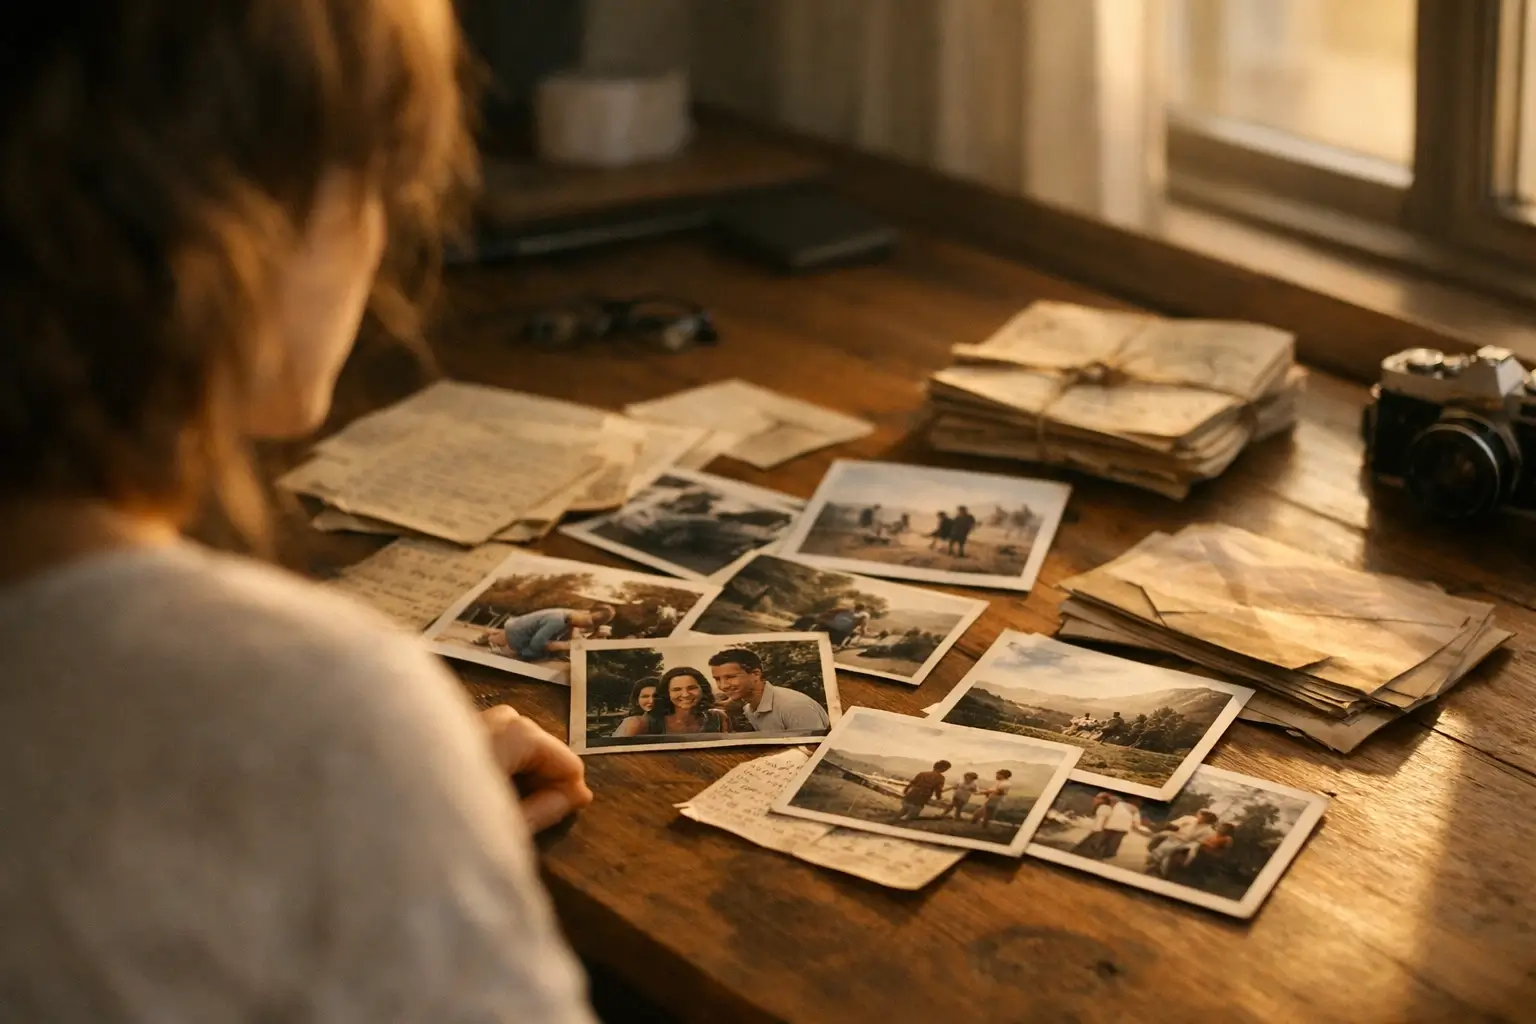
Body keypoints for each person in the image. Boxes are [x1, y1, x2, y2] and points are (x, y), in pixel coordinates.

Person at [0, 2, 596, 1019]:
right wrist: (364, 763)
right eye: (375, 173)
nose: (382, 232)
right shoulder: (327, 710)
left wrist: (390, 793)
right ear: (234, 224)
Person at [708, 648, 831, 733]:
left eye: (730, 677)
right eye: (717, 679)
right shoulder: (749, 709)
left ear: (755, 674)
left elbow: (814, 750)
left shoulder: (793, 707)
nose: (723, 686)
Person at [612, 667, 731, 737]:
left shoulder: (718, 718)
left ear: (703, 689)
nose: (685, 694)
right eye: (676, 689)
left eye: (692, 688)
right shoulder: (637, 723)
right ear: (666, 694)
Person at [494, 605, 615, 661]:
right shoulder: (557, 620)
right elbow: (537, 643)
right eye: (590, 621)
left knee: (556, 648)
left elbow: (576, 643)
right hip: (517, 636)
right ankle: (511, 651)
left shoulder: (570, 616)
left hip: (517, 629)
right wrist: (565, 645)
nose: (587, 625)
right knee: (544, 651)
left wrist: (594, 636)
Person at [1147, 809, 1221, 877]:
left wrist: (1188, 843)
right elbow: (1174, 825)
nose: (1203, 817)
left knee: (1175, 851)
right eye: (1203, 815)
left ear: (1210, 820)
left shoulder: (1208, 830)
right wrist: (1172, 827)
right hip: (1175, 837)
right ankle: (1154, 858)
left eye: (1207, 817)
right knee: (1161, 838)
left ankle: (1163, 868)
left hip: (1187, 843)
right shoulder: (1189, 819)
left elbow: (1199, 841)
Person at [1071, 793, 1119, 857]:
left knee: (1081, 852)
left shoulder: (1103, 807)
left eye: (1098, 798)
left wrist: (1094, 832)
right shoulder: (1107, 808)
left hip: (1098, 832)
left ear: (1103, 800)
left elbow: (1100, 823)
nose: (1095, 799)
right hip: (1100, 832)